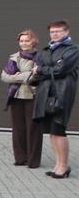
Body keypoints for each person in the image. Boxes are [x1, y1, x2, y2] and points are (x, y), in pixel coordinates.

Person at [31, 20, 78, 179]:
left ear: (67, 32)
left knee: (59, 129)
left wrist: (41, 69)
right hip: (45, 93)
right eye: (52, 32)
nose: (55, 34)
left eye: (58, 31)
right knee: (51, 132)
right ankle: (59, 164)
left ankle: (63, 167)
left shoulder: (73, 50)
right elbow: (37, 71)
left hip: (62, 93)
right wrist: (44, 70)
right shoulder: (45, 51)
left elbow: (61, 70)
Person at [0, 29, 41, 167]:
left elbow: (37, 76)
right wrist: (25, 75)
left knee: (33, 129)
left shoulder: (40, 57)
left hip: (33, 96)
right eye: (21, 41)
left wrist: (17, 76)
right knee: (18, 129)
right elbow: (4, 77)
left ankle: (33, 161)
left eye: (27, 40)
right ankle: (20, 158)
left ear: (33, 41)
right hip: (16, 96)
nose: (23, 43)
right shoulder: (13, 57)